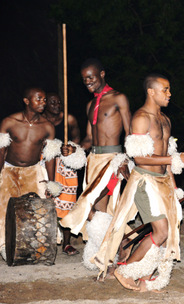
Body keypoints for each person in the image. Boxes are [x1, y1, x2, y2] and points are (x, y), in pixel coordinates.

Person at [91, 74, 184, 292]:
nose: (169, 94)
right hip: (144, 182)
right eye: (165, 89)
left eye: (169, 89)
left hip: (163, 181)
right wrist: (173, 159)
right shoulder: (141, 118)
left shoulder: (165, 119)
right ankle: (125, 269)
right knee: (161, 231)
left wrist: (174, 188)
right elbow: (138, 158)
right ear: (151, 92)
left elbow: (166, 155)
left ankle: (145, 277)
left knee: (166, 234)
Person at [61, 58, 131, 241]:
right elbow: (88, 139)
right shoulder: (90, 105)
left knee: (91, 205)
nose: (88, 82)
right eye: (84, 79)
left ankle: (112, 249)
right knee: (100, 211)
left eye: (91, 77)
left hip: (112, 159)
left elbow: (130, 133)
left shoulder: (119, 98)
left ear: (102, 74)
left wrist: (125, 159)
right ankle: (121, 244)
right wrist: (74, 149)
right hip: (93, 160)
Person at [0, 88, 62, 260]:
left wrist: (51, 183)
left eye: (44, 99)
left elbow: (50, 157)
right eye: (39, 99)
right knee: (4, 209)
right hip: (9, 170)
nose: (43, 102)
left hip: (33, 171)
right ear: (27, 101)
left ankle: (33, 245)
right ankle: (5, 245)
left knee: (35, 209)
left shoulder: (47, 127)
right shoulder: (9, 122)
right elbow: (1, 150)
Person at [43, 93, 83, 255]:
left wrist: (72, 149)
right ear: (45, 104)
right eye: (52, 102)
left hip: (66, 165)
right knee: (45, 201)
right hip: (46, 162)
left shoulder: (69, 119)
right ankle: (44, 242)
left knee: (67, 204)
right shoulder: (40, 121)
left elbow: (78, 140)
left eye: (59, 102)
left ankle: (67, 243)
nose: (56, 105)